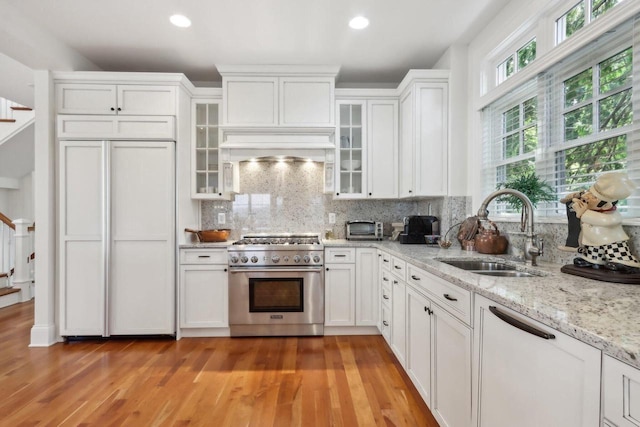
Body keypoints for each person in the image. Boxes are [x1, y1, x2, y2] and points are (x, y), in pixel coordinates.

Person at [570, 172, 640, 271]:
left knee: (616, 251)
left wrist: (582, 213)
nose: (586, 196)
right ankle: (593, 260)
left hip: (611, 241)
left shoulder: (612, 215)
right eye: (589, 192)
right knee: (593, 250)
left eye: (594, 197)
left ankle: (624, 263)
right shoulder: (591, 210)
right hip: (594, 241)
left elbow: (605, 221)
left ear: (605, 205)